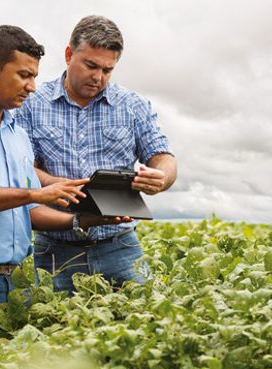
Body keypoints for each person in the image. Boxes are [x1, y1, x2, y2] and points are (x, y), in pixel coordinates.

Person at [0, 25, 129, 322]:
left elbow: (26, 211)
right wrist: (37, 193)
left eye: (35, 77)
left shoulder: (16, 132)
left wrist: (83, 220)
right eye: (24, 75)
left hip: (16, 280)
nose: (32, 86)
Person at [15, 15, 177, 293]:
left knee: (141, 325)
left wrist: (161, 177)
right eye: (91, 65)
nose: (98, 77)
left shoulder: (133, 106)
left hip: (121, 246)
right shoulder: (31, 104)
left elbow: (163, 156)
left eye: (107, 70)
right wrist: (58, 184)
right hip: (55, 248)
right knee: (52, 328)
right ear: (69, 55)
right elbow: (22, 168)